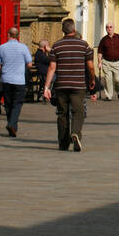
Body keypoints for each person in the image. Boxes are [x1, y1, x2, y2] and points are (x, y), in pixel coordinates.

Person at [46, 18, 95, 152]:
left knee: (62, 113)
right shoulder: (84, 46)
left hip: (61, 85)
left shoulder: (56, 46)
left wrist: (46, 87)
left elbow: (51, 67)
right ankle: (75, 133)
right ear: (74, 29)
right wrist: (93, 80)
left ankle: (63, 143)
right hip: (78, 85)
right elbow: (90, 66)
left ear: (63, 31)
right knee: (78, 111)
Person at [0, 26, 34, 137]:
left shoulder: (2, 47)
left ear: (8, 35)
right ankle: (12, 124)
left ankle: (12, 127)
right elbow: (29, 64)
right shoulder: (23, 47)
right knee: (17, 104)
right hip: (19, 80)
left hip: (6, 79)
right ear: (17, 35)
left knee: (8, 104)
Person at [95, 22, 119, 102]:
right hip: (106, 62)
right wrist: (99, 62)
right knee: (108, 79)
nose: (109, 28)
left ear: (113, 28)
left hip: (117, 62)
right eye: (107, 27)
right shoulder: (103, 40)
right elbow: (100, 52)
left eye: (110, 27)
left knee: (118, 79)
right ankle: (109, 96)